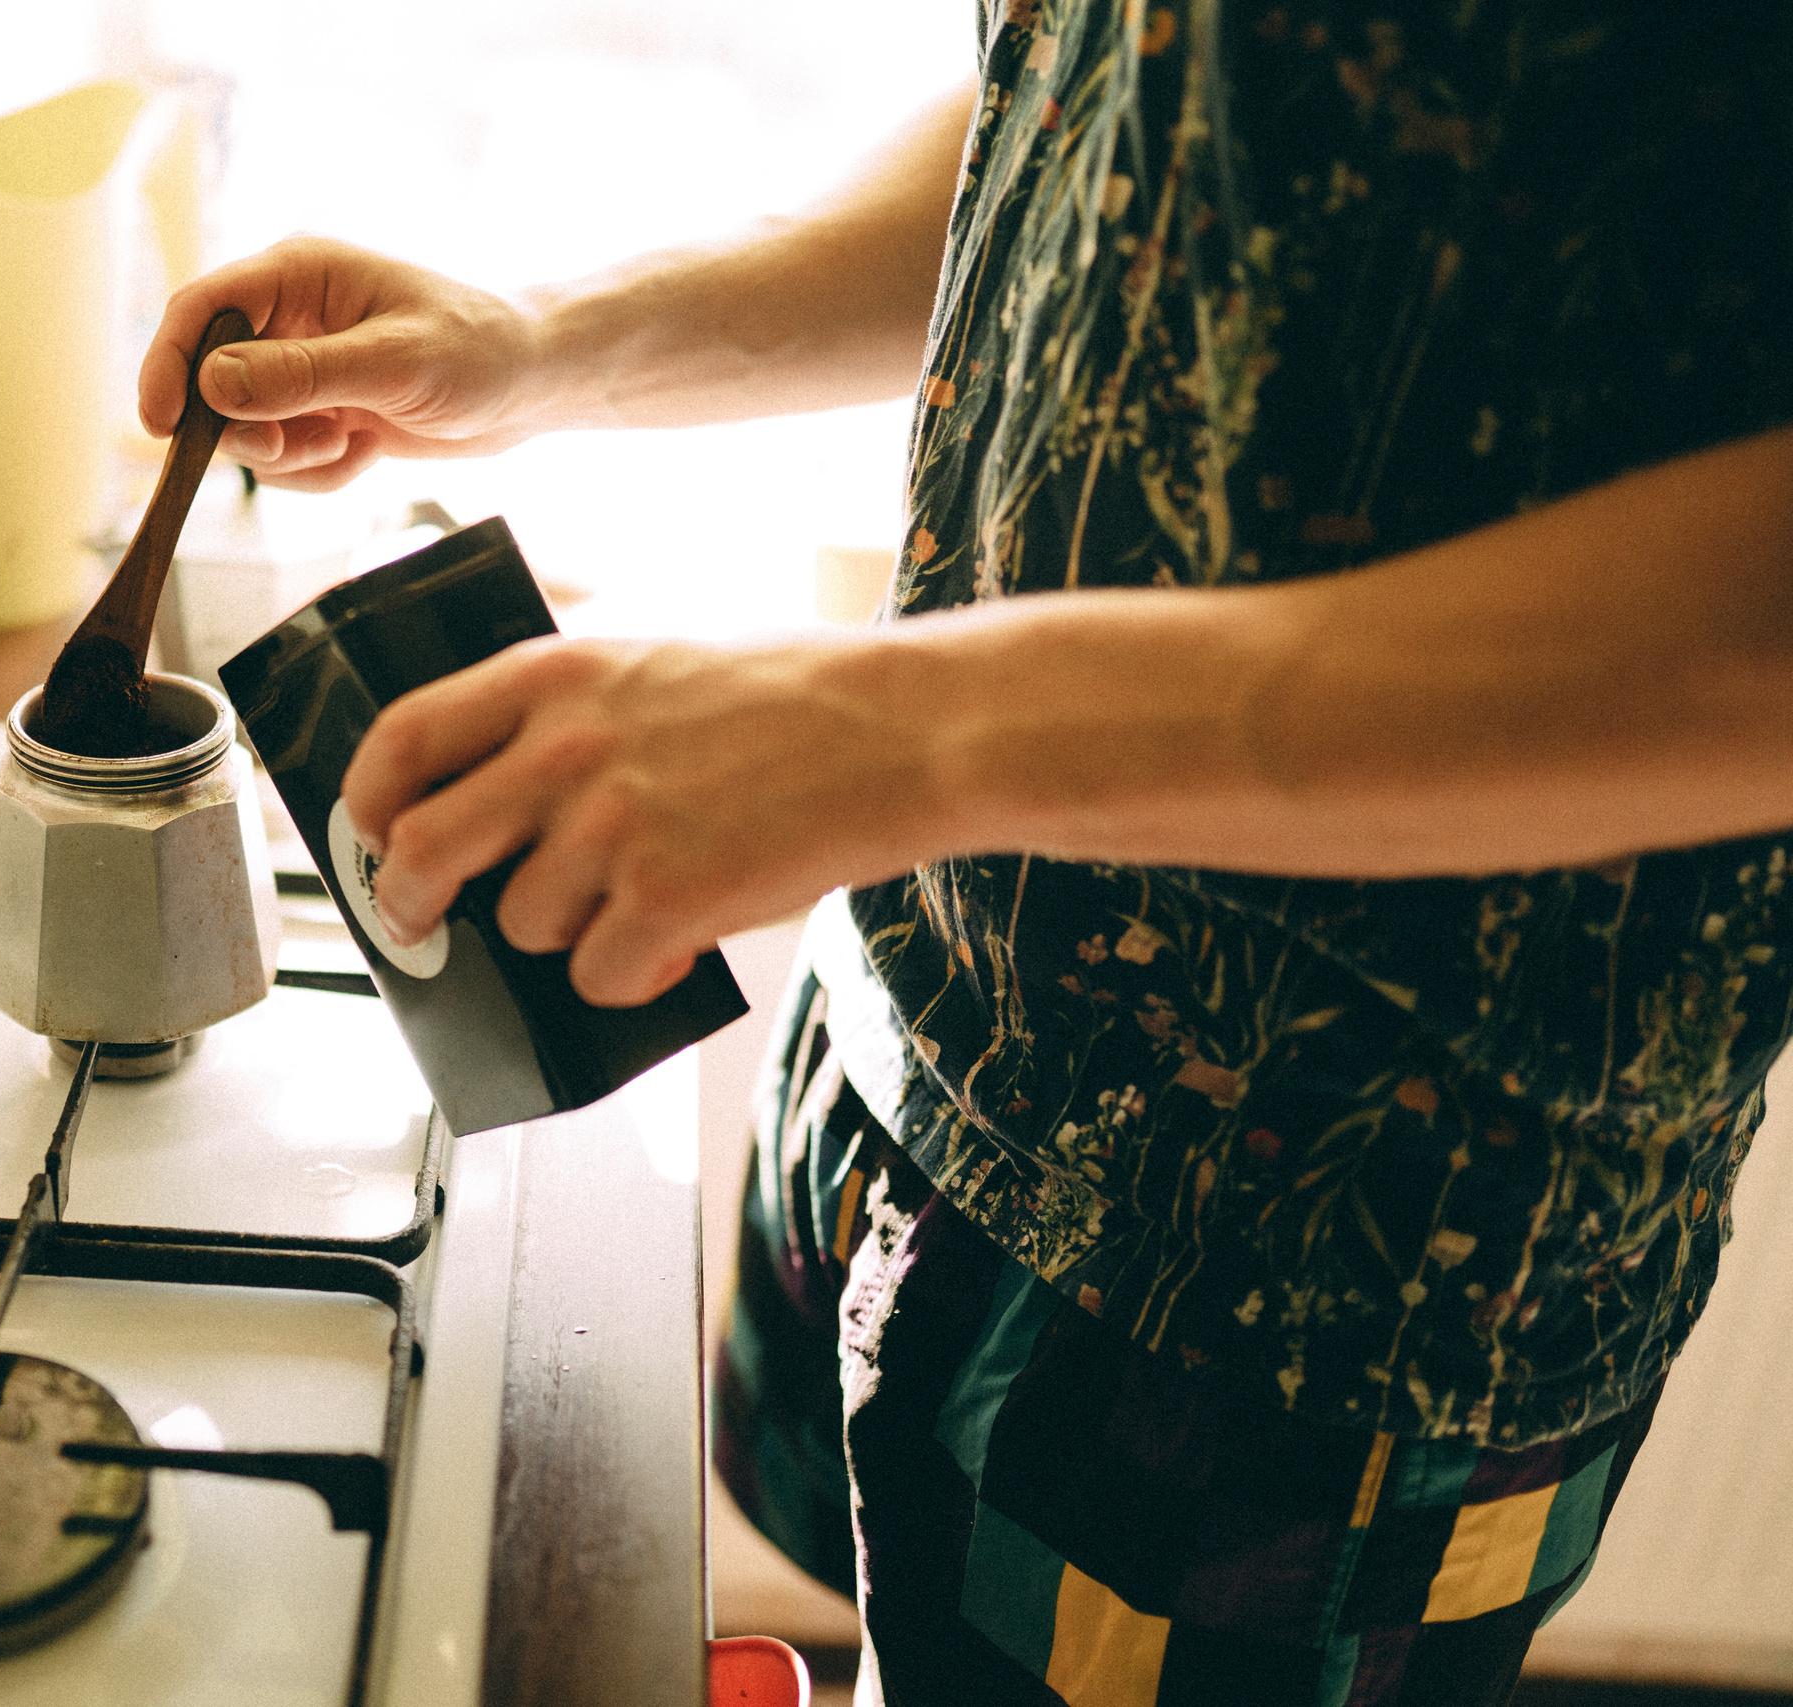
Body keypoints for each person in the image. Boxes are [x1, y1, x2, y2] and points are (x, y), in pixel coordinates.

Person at [139, 3, 1793, 1701]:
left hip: (1308, 1268)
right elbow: (1107, 114)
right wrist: (557, 339)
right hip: (934, 1024)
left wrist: (898, 736)